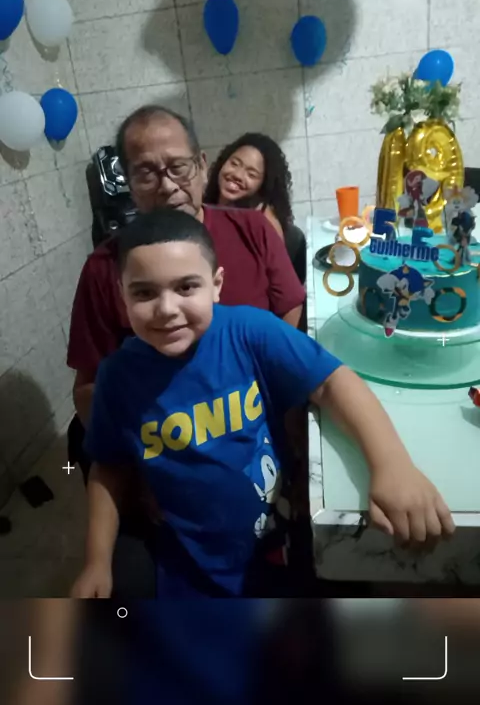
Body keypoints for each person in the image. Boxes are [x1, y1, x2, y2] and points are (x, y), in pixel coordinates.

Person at [71, 208, 455, 600]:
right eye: (144, 293)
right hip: (188, 565)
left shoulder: (249, 332)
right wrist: (96, 561)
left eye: (186, 287)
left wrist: (392, 465)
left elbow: (332, 382)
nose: (167, 309)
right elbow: (109, 465)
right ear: (121, 294)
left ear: (216, 285)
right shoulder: (116, 377)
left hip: (281, 543)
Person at [67, 105, 306, 595]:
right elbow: (89, 389)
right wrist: (144, 472)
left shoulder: (253, 229)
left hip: (258, 438)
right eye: (146, 172)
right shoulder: (104, 269)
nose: (167, 185)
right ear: (128, 182)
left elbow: (290, 311)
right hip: (171, 454)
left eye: (178, 166)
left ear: (200, 165)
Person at [204, 133, 293, 239]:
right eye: (234, 164)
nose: (237, 175)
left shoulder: (265, 224)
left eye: (251, 174)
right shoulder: (202, 206)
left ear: (263, 185)